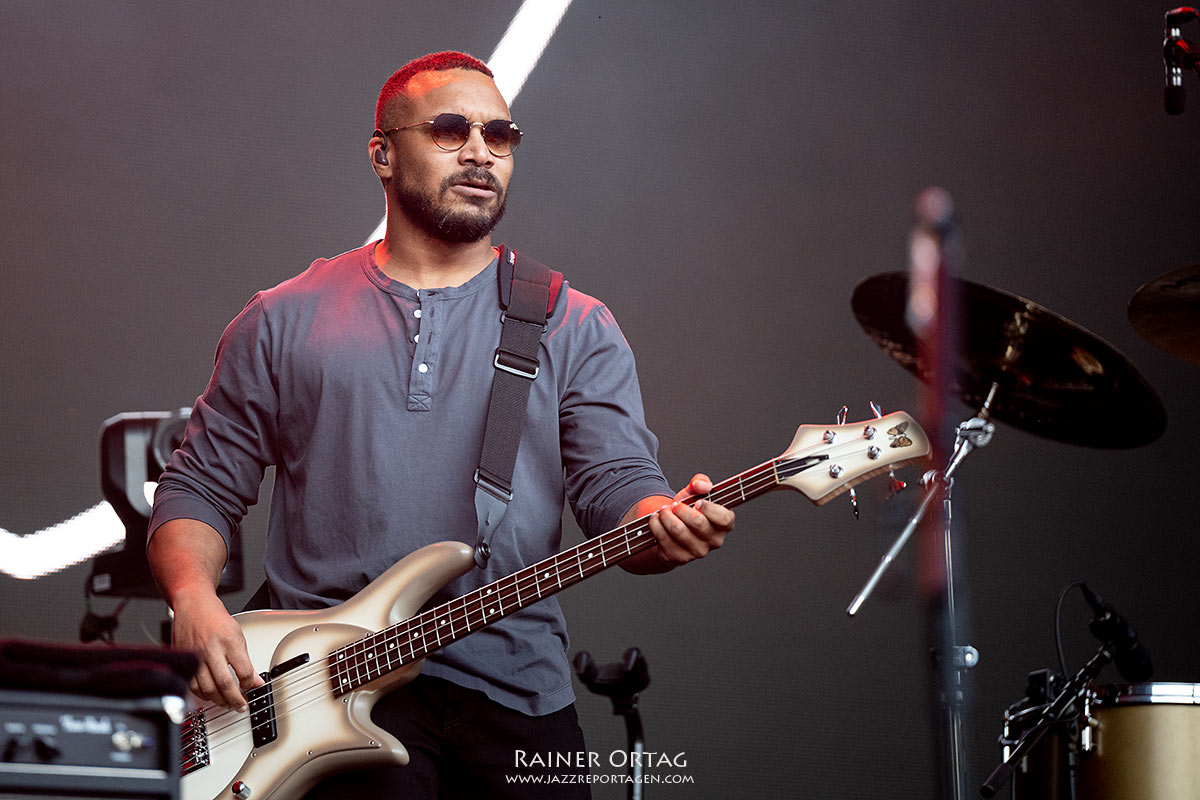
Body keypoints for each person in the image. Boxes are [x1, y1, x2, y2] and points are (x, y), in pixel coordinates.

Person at [148, 51, 734, 799]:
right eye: (451, 129)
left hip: (520, 692)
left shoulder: (573, 324)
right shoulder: (283, 317)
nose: (481, 151)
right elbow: (198, 486)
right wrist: (193, 602)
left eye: (501, 134)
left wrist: (661, 522)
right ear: (382, 154)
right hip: (324, 692)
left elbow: (618, 488)